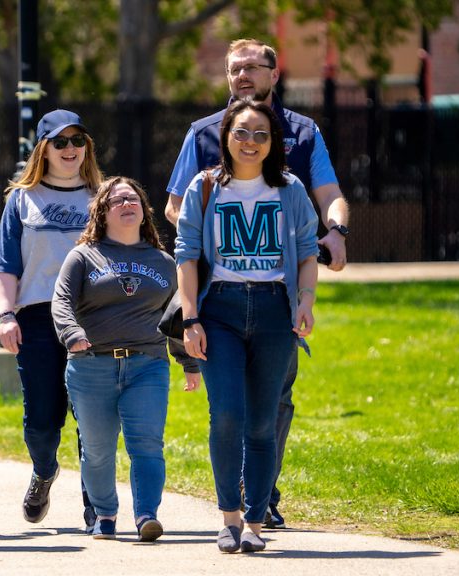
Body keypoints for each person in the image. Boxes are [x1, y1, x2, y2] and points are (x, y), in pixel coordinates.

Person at [164, 38, 349, 529]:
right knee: (227, 410)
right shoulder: (203, 135)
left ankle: (260, 494)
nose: (242, 75)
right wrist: (203, 234)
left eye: (252, 67)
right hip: (217, 295)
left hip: (276, 295)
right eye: (234, 69)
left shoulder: (303, 135)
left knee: (273, 404)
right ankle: (238, 506)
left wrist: (337, 232)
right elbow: (175, 207)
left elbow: (328, 195)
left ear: (274, 72)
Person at [174, 98, 319, 553]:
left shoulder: (290, 189)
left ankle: (256, 522)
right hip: (220, 312)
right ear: (226, 137)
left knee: (261, 422)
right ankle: (229, 518)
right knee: (228, 416)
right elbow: (186, 255)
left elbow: (309, 250)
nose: (251, 142)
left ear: (273, 141)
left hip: (276, 310)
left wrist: (305, 302)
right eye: (242, 132)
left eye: (261, 134)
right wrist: (191, 318)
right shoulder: (204, 188)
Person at [51, 176, 199, 542]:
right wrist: (72, 334)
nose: (126, 204)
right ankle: (104, 513)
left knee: (147, 443)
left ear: (144, 210)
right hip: (91, 364)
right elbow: (61, 301)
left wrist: (189, 363)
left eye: (132, 198)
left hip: (147, 364)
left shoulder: (164, 262)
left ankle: (147, 514)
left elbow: (176, 314)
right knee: (98, 449)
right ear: (102, 213)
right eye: (116, 200)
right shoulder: (83, 257)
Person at [0, 109, 104, 531]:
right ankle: (43, 471)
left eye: (78, 141)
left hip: (92, 316)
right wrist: (6, 315)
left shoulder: (103, 195)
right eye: (60, 142)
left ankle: (95, 504)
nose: (70, 149)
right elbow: (6, 266)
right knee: (42, 418)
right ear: (43, 149)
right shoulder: (22, 199)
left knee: (90, 415)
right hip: (38, 317)